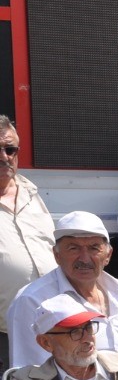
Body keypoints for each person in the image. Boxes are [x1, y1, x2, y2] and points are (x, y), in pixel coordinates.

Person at [8, 211, 118, 370]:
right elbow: (30, 373)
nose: (84, 259)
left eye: (94, 248)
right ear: (56, 255)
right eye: (74, 248)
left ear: (108, 255)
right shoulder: (33, 300)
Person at [0, 113, 54, 361]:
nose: (4, 157)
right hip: (4, 336)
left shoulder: (32, 194)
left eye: (10, 149)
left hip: (50, 329)